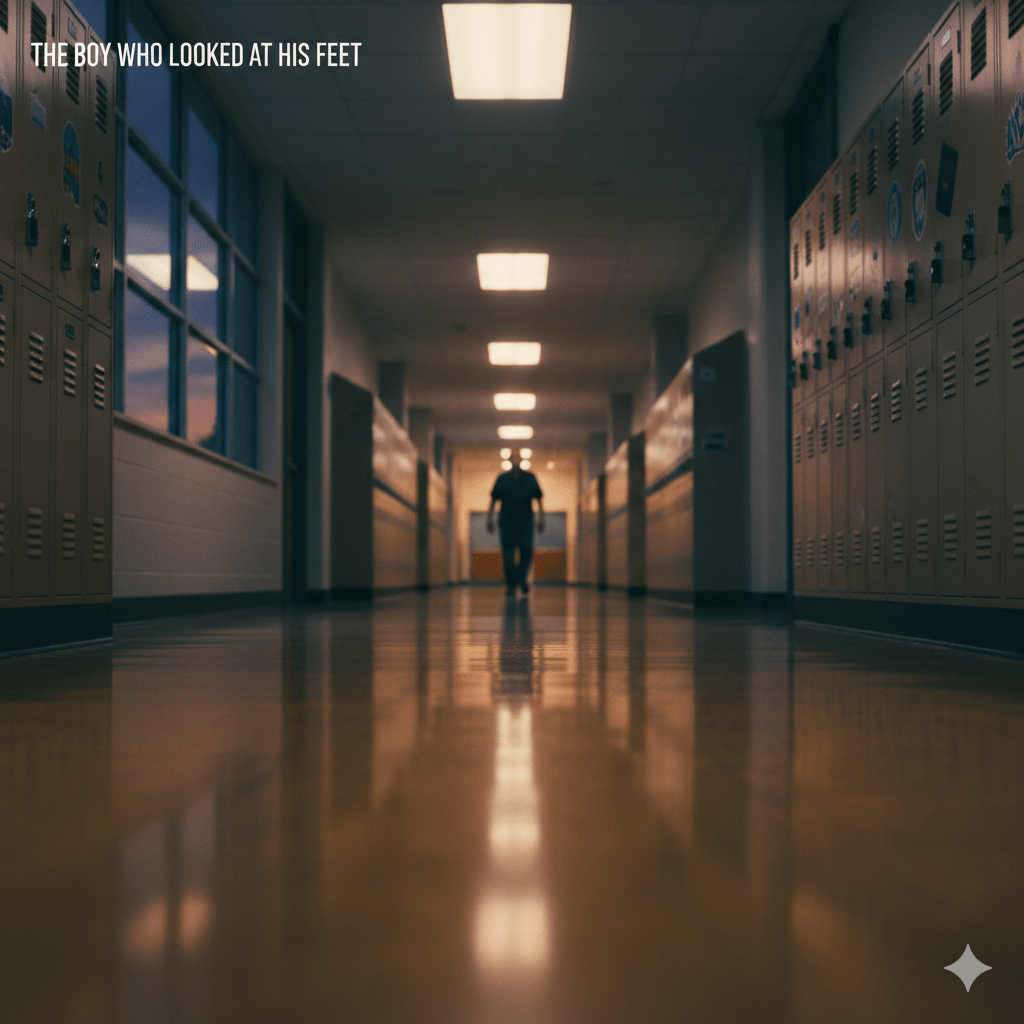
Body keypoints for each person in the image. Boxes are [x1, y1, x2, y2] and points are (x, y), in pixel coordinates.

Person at [486, 451, 544, 596]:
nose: (516, 460)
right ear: (510, 460)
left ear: (522, 460)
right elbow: (493, 500)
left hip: (525, 522)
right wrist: (489, 518)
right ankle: (512, 585)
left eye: (519, 458)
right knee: (508, 554)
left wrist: (542, 517)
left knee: (527, 551)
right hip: (507, 522)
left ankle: (521, 579)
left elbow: (538, 499)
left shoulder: (530, 478)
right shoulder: (502, 478)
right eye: (514, 458)